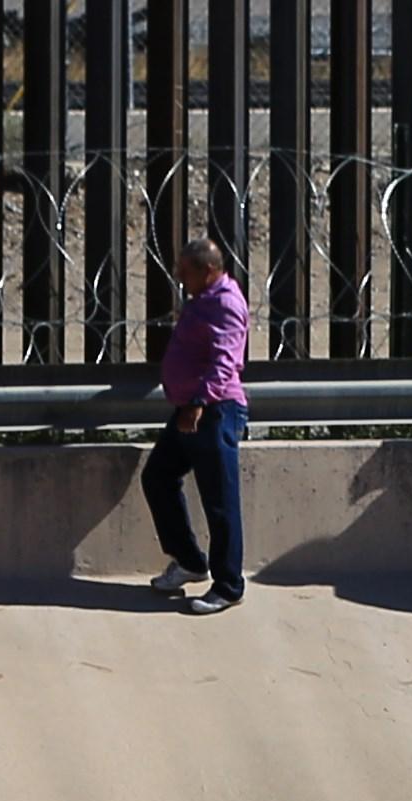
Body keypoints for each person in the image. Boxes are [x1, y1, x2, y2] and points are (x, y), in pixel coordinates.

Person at [142, 238, 251, 612]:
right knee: (158, 477)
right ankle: (189, 561)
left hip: (214, 411)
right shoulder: (203, 299)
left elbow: (226, 362)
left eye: (185, 270)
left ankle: (229, 586)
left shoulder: (225, 303)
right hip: (192, 409)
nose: (178, 276)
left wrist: (200, 401)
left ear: (207, 270)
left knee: (220, 501)